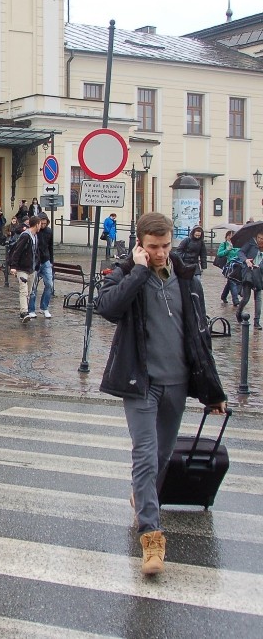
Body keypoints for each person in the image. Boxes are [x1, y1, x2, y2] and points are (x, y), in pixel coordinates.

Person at [97, 212, 227, 576]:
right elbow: (107, 308)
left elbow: (199, 336)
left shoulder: (188, 278)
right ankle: (152, 536)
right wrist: (138, 271)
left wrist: (213, 392)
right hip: (141, 382)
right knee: (145, 453)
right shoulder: (125, 273)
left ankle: (142, 497)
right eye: (153, 247)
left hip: (178, 382)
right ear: (141, 244)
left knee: (163, 455)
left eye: (166, 245)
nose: (160, 253)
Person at [9, 215, 41, 322]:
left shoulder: (35, 236)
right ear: (36, 225)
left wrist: (37, 265)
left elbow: (36, 252)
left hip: (31, 268)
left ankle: (24, 311)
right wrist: (13, 266)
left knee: (29, 291)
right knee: (23, 290)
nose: (41, 226)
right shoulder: (25, 236)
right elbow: (17, 251)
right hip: (22, 268)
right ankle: (24, 312)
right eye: (40, 224)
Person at [235, 230, 263, 329]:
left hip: (259, 274)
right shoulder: (250, 243)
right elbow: (240, 252)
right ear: (256, 236)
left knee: (258, 299)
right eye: (259, 238)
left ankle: (257, 321)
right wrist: (246, 260)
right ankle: (239, 311)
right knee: (246, 298)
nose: (260, 240)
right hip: (249, 273)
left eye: (262, 239)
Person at [28, 212, 54, 318]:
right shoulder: (34, 232)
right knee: (33, 287)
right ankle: (31, 309)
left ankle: (44, 307)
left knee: (49, 284)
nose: (43, 225)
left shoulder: (49, 231)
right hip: (35, 261)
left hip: (46, 261)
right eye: (41, 223)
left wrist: (51, 261)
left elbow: (50, 246)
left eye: (44, 223)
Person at [217, 230, 240, 307]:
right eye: (229, 236)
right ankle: (235, 300)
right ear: (226, 237)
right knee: (232, 281)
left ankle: (223, 296)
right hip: (228, 267)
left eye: (232, 236)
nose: (230, 237)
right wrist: (227, 250)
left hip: (237, 266)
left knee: (229, 283)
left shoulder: (238, 245)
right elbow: (219, 254)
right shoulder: (223, 244)